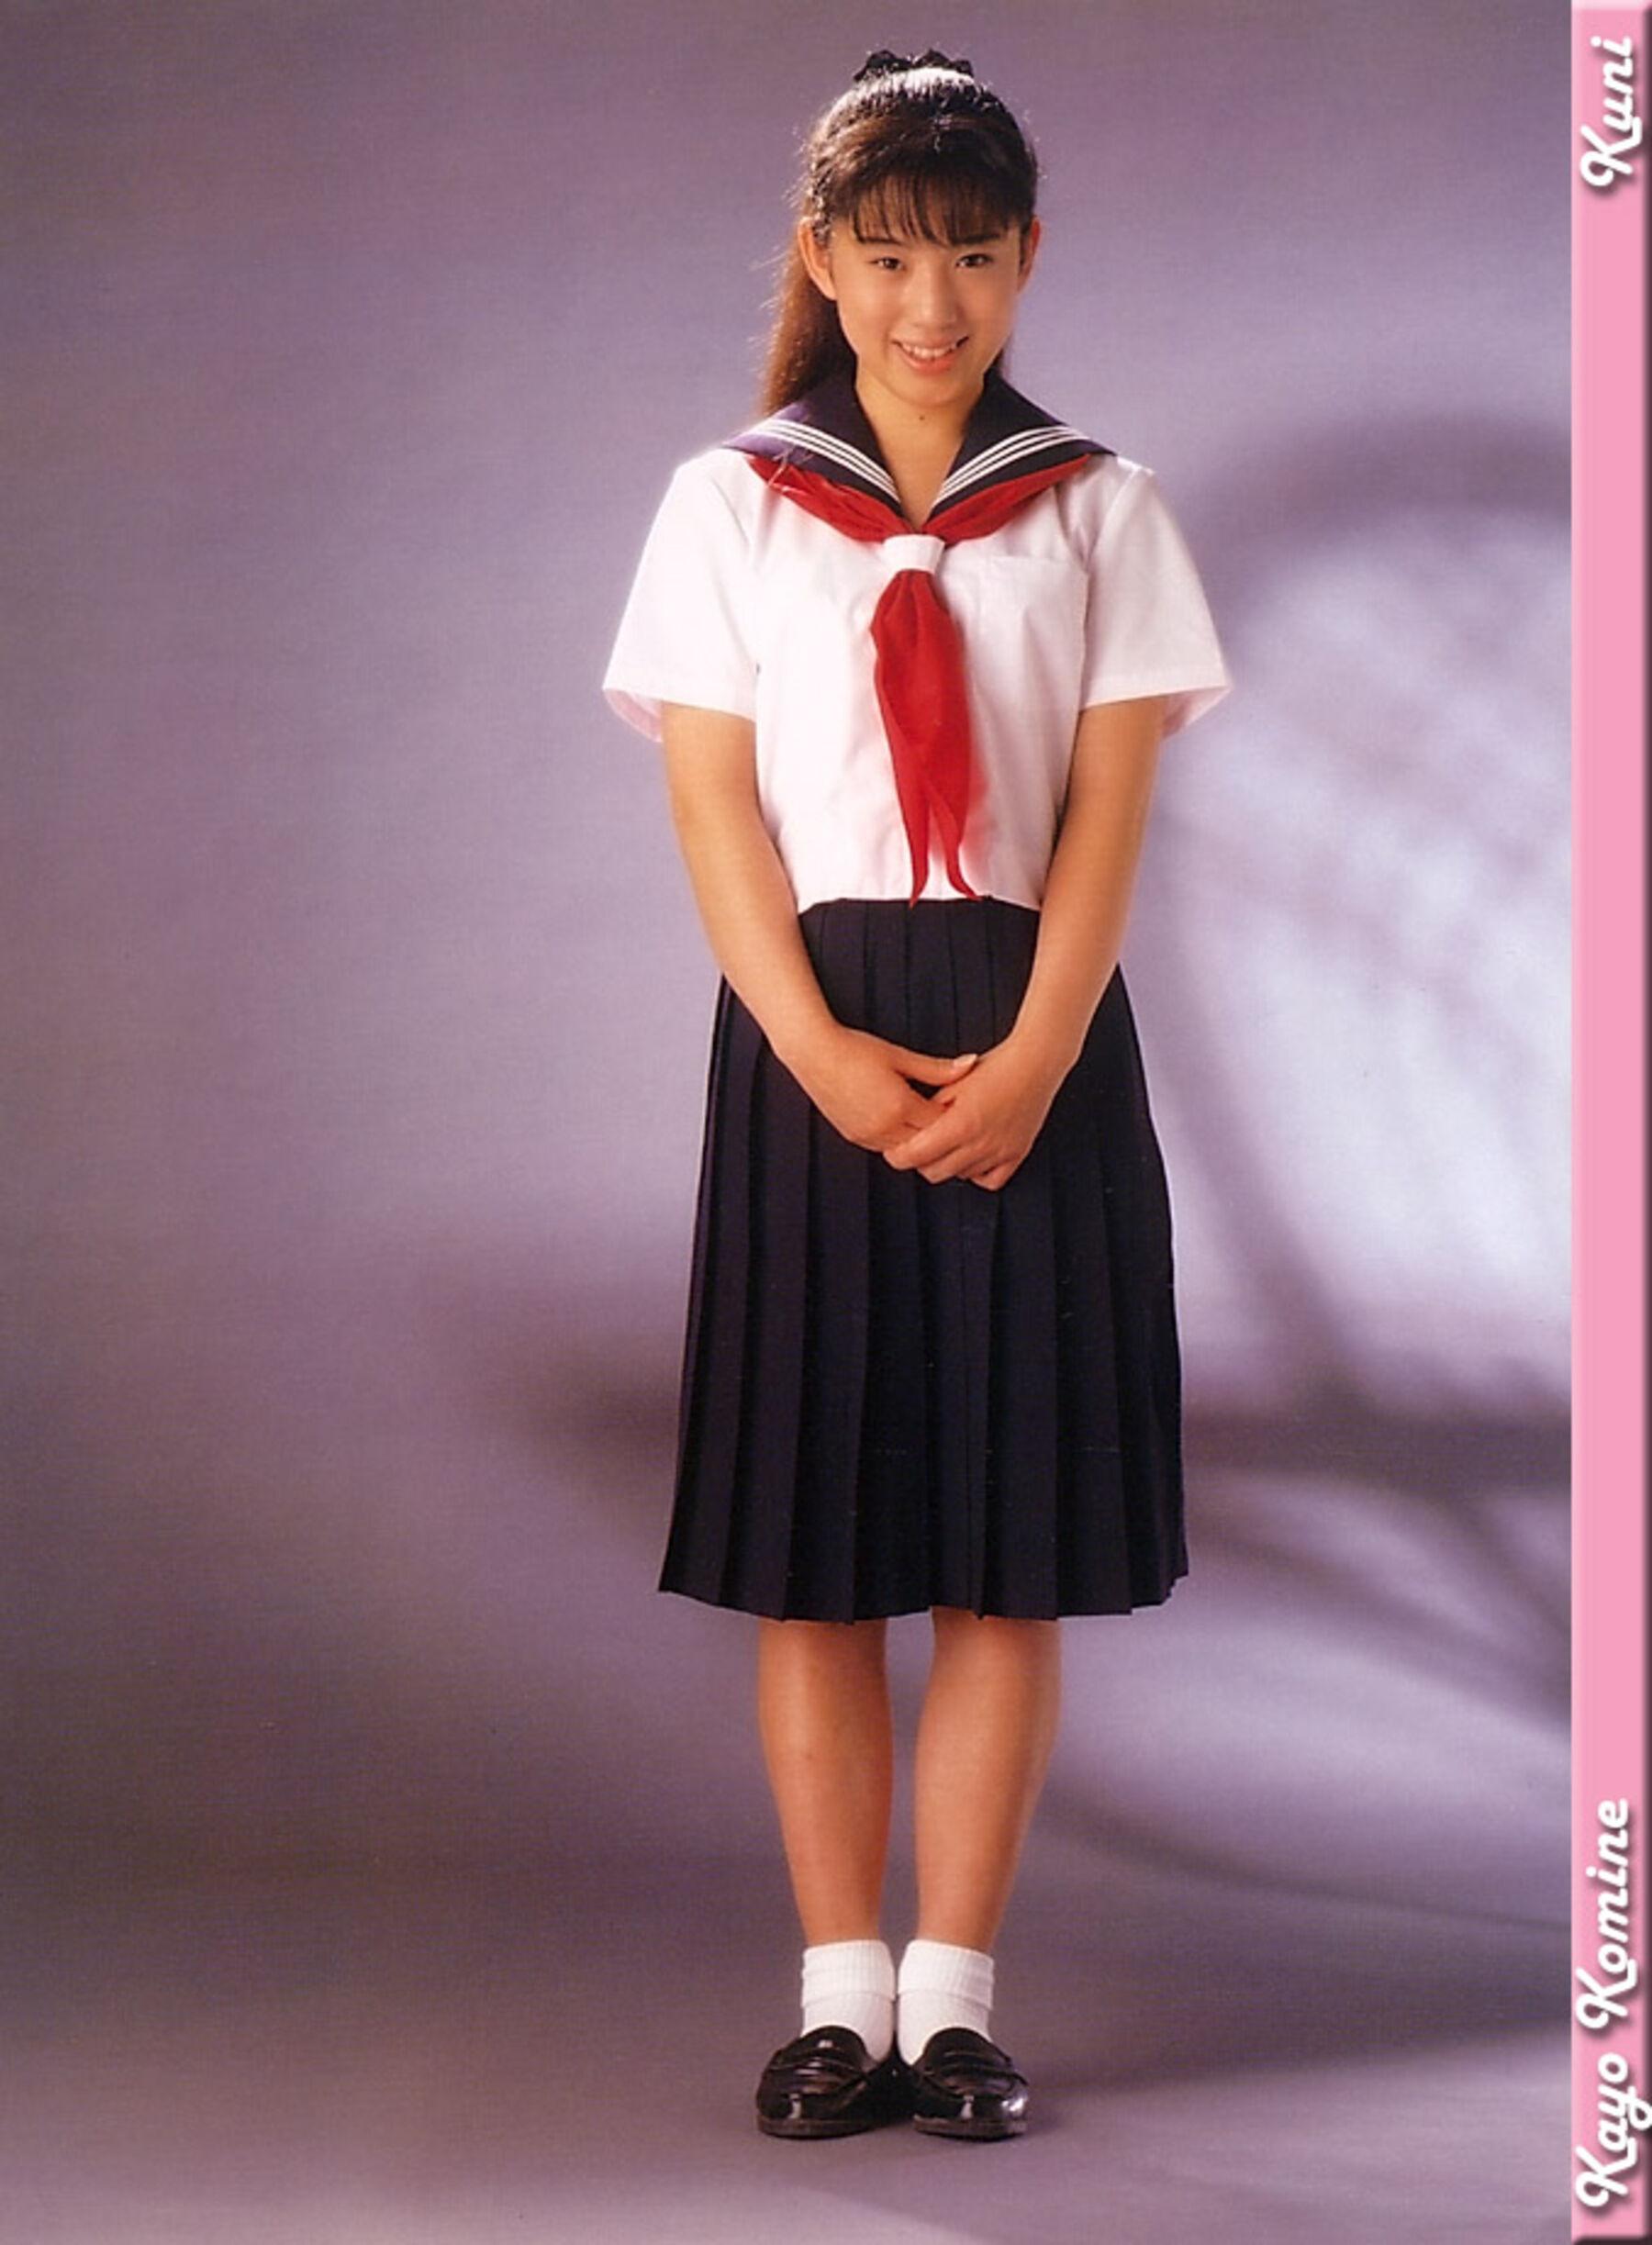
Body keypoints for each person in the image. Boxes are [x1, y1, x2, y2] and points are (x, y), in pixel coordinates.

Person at [601, 48, 1230, 2142]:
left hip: (1035, 1026)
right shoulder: (727, 502)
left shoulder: (1105, 508)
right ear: (822, 259)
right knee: (819, 1549)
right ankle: (838, 2002)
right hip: (816, 1025)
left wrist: (1038, 1054)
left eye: (969, 254)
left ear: (1029, 255)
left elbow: (1112, 815)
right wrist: (813, 1052)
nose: (928, 302)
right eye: (886, 257)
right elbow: (715, 803)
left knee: (1000, 1552)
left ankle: (954, 2000)